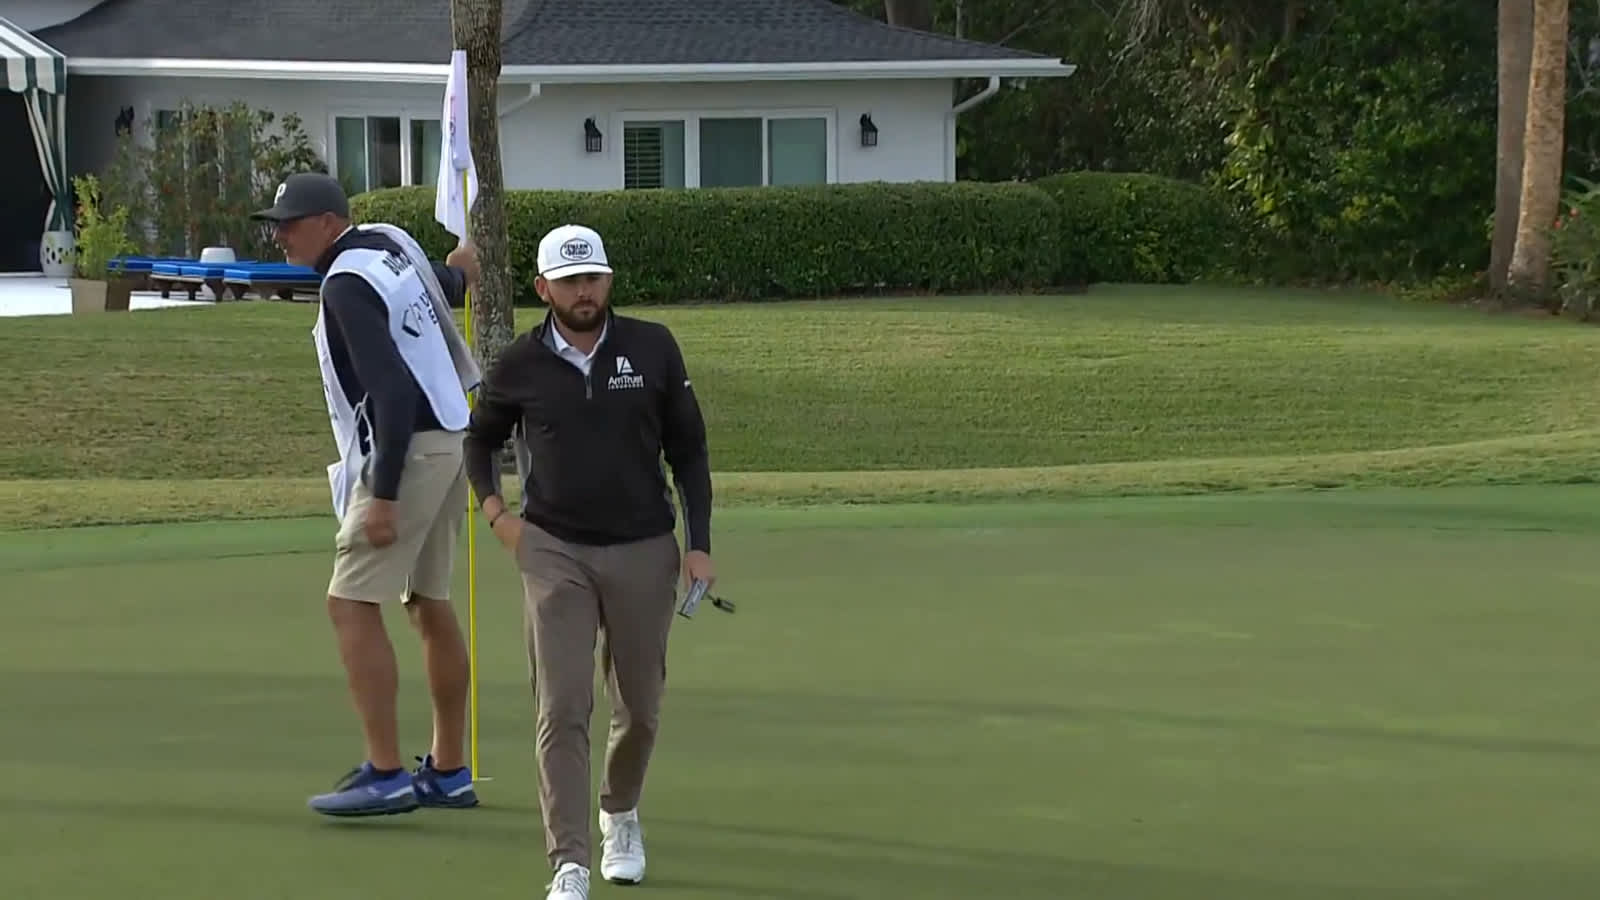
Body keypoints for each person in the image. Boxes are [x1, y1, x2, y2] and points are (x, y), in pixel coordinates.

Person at [463, 224, 715, 900]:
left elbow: (689, 450)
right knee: (562, 706)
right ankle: (569, 862)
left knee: (640, 706)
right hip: (553, 549)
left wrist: (699, 545)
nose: (584, 292)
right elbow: (478, 441)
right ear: (543, 288)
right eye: (570, 281)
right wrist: (499, 517)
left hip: (643, 545)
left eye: (593, 278)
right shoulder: (519, 363)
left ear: (608, 281)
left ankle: (620, 813)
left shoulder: (652, 347)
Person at [250, 172, 483, 817]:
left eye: (291, 224)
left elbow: (391, 393)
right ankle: (449, 769)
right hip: (450, 435)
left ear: (329, 223)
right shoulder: (389, 243)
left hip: (408, 450)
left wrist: (383, 494)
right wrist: (462, 269)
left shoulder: (345, 284)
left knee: (349, 603)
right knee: (428, 601)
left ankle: (385, 772)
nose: (281, 235)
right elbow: (440, 289)